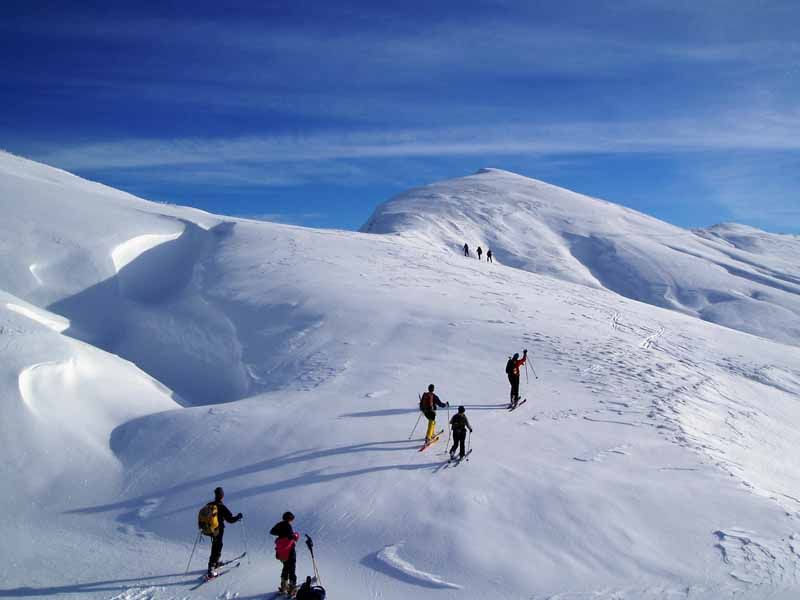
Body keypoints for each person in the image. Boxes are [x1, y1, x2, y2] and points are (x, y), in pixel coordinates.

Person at [206, 487, 243, 578]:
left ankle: (215, 562)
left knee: (217, 545)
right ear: (222, 496)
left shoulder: (209, 504)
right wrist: (239, 516)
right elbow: (230, 520)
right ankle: (211, 567)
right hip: (218, 529)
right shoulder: (221, 506)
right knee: (217, 546)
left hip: (210, 529)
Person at [271, 511, 300, 595]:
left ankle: (284, 586)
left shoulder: (279, 524)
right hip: (290, 551)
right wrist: (296, 535)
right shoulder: (288, 526)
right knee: (292, 569)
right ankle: (292, 589)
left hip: (281, 552)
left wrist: (280, 534)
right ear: (290, 519)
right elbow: (292, 537)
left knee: (285, 567)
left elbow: (272, 531)